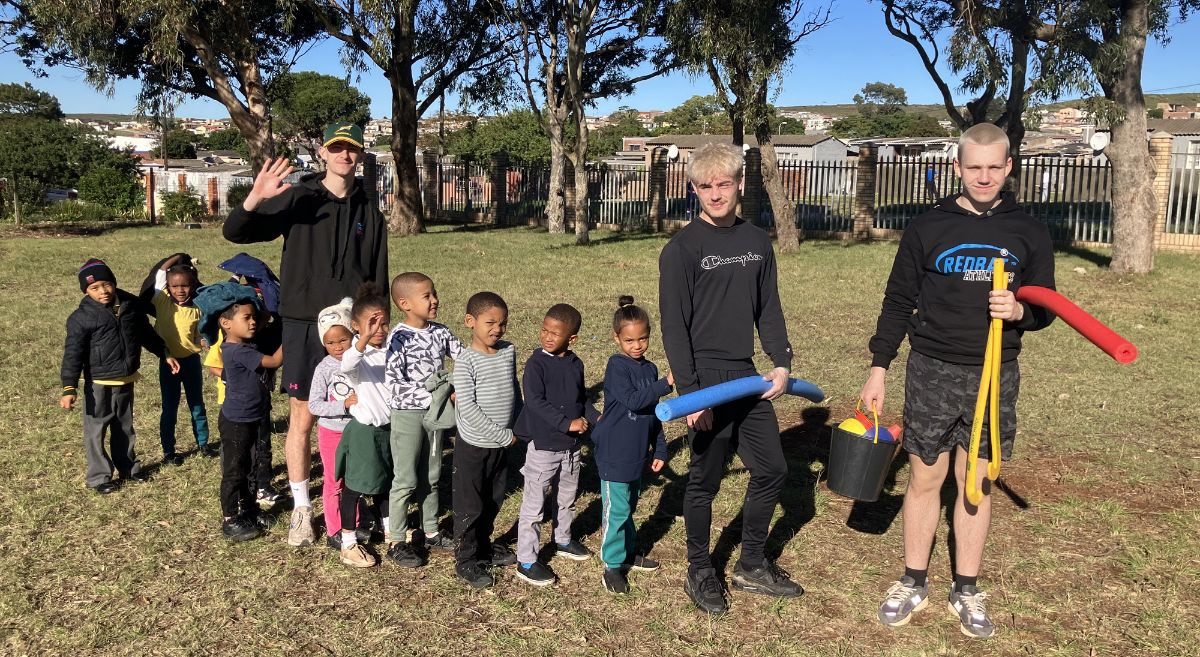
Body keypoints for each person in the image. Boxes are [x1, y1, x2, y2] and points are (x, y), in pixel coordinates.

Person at [860, 123, 1056, 639]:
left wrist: (1018, 310)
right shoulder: (928, 226)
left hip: (995, 372)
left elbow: (1046, 308)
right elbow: (898, 301)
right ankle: (914, 580)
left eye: (995, 167)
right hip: (931, 368)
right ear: (957, 168)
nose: (984, 176)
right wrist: (879, 366)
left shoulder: (1028, 231)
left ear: (1009, 167)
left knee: (977, 480)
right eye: (974, 167)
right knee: (926, 478)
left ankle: (966, 588)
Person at [224, 122, 389, 547]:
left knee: (357, 414)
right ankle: (302, 509)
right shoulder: (300, 197)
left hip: (350, 329)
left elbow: (377, 276)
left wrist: (375, 326)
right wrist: (256, 196)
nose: (344, 155)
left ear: (361, 155)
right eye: (337, 147)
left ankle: (355, 500)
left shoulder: (369, 211)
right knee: (303, 417)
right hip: (301, 325)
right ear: (322, 152)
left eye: (352, 149)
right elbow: (238, 232)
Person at [658, 142, 802, 615]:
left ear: (739, 183)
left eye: (723, 184)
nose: (715, 194)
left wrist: (780, 360)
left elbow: (770, 307)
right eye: (705, 186)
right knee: (705, 480)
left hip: (746, 377)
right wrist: (691, 393)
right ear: (693, 188)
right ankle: (699, 569)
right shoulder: (681, 249)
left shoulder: (757, 242)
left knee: (773, 469)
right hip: (706, 380)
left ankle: (752, 563)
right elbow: (674, 326)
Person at [61, 259, 180, 494]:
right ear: (86, 291)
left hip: (126, 378)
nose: (103, 291)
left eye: (106, 285)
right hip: (99, 383)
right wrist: (69, 387)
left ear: (113, 283)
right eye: (94, 288)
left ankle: (129, 467)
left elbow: (146, 333)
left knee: (124, 427)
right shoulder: (81, 318)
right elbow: (73, 354)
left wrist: (164, 353)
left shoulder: (130, 307)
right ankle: (99, 477)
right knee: (96, 430)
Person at [590, 295, 671, 594]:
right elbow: (636, 401)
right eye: (629, 340)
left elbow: (651, 413)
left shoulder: (649, 370)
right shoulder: (617, 367)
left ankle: (627, 552)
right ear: (617, 338)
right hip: (614, 452)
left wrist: (660, 448)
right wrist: (666, 383)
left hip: (637, 453)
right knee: (618, 510)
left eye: (643, 338)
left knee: (630, 506)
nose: (637, 346)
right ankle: (612, 565)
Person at [383, 272, 462, 567]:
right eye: (427, 296)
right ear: (405, 303)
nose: (435, 300)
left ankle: (431, 531)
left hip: (436, 417)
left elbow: (463, 358)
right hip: (408, 416)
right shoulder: (398, 338)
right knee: (405, 478)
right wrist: (437, 395)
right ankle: (396, 540)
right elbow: (394, 385)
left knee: (431, 474)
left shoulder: (441, 332)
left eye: (434, 293)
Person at [511, 303, 593, 587]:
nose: (547, 336)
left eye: (554, 333)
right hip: (544, 446)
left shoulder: (575, 363)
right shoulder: (536, 364)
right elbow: (534, 402)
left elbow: (581, 399)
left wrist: (597, 419)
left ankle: (563, 539)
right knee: (534, 506)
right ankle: (527, 559)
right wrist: (566, 423)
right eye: (544, 330)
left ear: (571, 339)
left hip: (571, 447)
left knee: (567, 497)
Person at [195, 282, 283, 542]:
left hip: (254, 416)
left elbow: (265, 318)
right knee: (235, 469)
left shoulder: (248, 342)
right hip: (236, 420)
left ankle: (250, 510)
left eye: (253, 317)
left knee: (252, 466)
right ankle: (231, 518)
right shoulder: (236, 350)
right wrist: (292, 337)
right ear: (225, 323)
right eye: (246, 318)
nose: (253, 322)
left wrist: (265, 304)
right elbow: (275, 361)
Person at [452, 292, 522, 589]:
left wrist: (520, 423)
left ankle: (484, 545)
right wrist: (503, 435)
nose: (498, 329)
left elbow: (513, 390)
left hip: (502, 445)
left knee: (494, 499)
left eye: (503, 323)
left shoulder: (508, 351)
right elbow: (467, 408)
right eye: (490, 322)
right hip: (475, 445)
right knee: (471, 504)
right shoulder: (466, 361)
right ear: (471, 322)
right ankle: (467, 560)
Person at [334, 283, 395, 568]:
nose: (378, 329)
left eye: (383, 323)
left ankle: (390, 529)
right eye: (371, 324)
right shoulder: (358, 355)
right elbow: (346, 365)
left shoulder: (392, 349)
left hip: (389, 431)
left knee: (386, 481)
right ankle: (348, 543)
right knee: (355, 487)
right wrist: (363, 339)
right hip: (364, 433)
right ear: (355, 326)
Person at [143, 253, 215, 465]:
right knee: (170, 407)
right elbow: (158, 275)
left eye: (185, 286)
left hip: (191, 362)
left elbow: (198, 335)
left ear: (192, 286)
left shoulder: (197, 308)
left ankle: (203, 444)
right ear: (168, 287)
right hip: (168, 363)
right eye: (174, 286)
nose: (180, 290)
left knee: (197, 405)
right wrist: (175, 258)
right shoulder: (161, 300)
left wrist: (204, 342)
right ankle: (168, 451)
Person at [307, 298, 362, 550]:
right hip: (332, 433)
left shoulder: (363, 362)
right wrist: (344, 406)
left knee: (355, 479)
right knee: (334, 481)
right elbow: (314, 405)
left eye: (342, 339)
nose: (337, 346)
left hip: (358, 431)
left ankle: (356, 522)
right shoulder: (324, 369)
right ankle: (334, 529)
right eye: (330, 342)